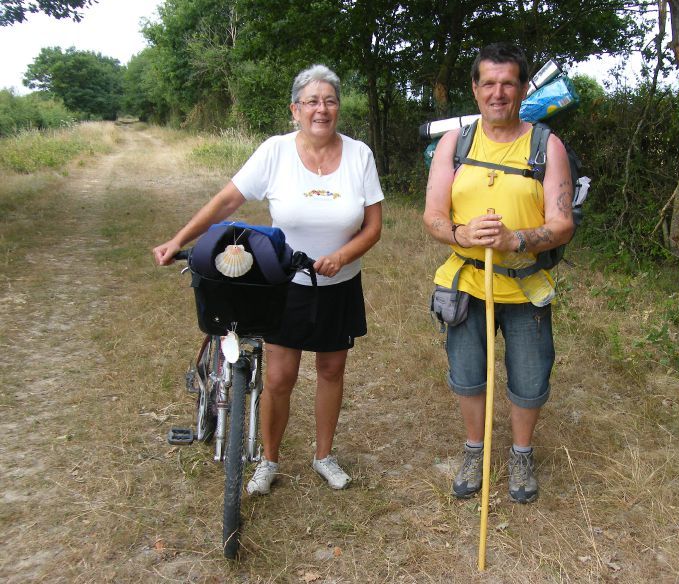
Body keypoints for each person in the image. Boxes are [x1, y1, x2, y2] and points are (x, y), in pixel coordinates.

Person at [153, 64, 384, 494]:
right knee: (280, 377)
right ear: (295, 109)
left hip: (339, 283)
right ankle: (269, 459)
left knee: (332, 369)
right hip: (286, 282)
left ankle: (324, 456)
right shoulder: (275, 152)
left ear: (338, 108)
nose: (322, 109)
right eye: (312, 101)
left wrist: (342, 255)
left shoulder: (360, 155)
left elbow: (372, 227)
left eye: (330, 100)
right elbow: (227, 200)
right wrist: (178, 239)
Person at [423, 43, 573, 503]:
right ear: (475, 89)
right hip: (467, 284)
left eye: (508, 83)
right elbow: (431, 216)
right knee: (468, 376)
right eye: (488, 82)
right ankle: (475, 451)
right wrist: (463, 234)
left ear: (524, 88)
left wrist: (514, 240)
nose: (498, 92)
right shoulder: (456, 143)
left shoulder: (546, 144)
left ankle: (522, 455)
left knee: (529, 381)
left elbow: (563, 223)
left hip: (525, 286)